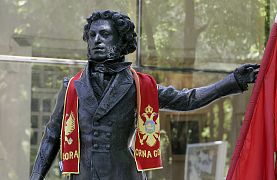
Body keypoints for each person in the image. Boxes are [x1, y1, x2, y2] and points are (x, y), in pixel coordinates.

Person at [30, 10, 259, 180]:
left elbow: (188, 99)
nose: (97, 40)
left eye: (105, 34)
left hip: (124, 175)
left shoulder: (139, 85)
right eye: (92, 35)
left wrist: (233, 81)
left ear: (122, 42)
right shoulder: (71, 87)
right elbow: (51, 137)